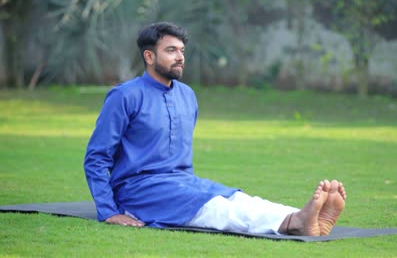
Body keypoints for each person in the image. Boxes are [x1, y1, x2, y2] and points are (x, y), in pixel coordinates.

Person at [84, 22, 346, 236]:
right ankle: (293, 223)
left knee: (236, 198)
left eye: (182, 51)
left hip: (183, 182)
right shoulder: (125, 96)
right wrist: (109, 211)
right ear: (149, 56)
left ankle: (301, 216)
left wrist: (189, 186)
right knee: (216, 209)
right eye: (171, 51)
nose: (180, 57)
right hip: (140, 191)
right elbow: (96, 157)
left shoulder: (187, 96)